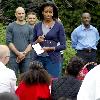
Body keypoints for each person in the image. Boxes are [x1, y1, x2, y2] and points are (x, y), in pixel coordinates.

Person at [33, 2, 66, 78]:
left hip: (53, 59)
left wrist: (50, 48)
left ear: (53, 13)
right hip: (38, 59)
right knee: (37, 82)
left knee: (52, 82)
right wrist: (37, 41)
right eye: (46, 12)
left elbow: (63, 46)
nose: (48, 14)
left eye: (50, 12)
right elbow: (32, 43)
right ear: (42, 12)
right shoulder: (37, 25)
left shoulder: (59, 26)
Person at [6, 7, 33, 76]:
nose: (21, 15)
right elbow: (9, 42)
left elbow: (31, 43)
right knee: (12, 77)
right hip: (13, 57)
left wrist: (23, 54)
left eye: (22, 13)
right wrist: (18, 53)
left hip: (26, 57)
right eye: (19, 13)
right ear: (16, 14)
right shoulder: (11, 26)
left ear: (25, 14)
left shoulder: (29, 27)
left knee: (26, 78)